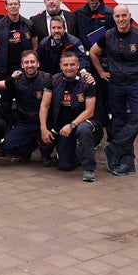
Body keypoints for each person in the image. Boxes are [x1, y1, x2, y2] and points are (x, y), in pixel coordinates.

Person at [89, 4, 138, 177]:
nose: (121, 19)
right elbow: (92, 53)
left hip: (136, 84)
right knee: (118, 123)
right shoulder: (108, 35)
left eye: (124, 15)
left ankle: (114, 148)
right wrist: (100, 72)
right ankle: (127, 163)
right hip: (115, 85)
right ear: (113, 18)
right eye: (117, 16)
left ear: (130, 16)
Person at [40, 52, 104, 182]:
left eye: (72, 64)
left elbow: (90, 111)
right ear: (60, 66)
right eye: (66, 65)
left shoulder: (87, 82)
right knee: (65, 165)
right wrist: (43, 128)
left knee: (83, 130)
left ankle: (89, 168)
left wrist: (72, 125)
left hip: (85, 123)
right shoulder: (53, 80)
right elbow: (44, 106)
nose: (69, 68)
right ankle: (77, 151)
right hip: (64, 128)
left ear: (78, 65)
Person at [74, 0, 116, 140]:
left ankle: (113, 139)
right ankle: (95, 138)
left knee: (108, 103)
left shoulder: (109, 15)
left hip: (104, 65)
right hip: (85, 65)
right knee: (91, 103)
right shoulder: (78, 14)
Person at [0, 51, 53, 165]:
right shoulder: (16, 80)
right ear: (22, 65)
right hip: (25, 123)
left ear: (38, 64)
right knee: (7, 146)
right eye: (26, 62)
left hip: (45, 122)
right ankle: (30, 147)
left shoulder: (47, 78)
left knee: (50, 138)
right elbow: (0, 87)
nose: (29, 65)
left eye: (32, 62)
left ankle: (46, 155)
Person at [0, 0, 37, 80]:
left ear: (19, 5)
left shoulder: (29, 24)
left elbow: (34, 47)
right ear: (6, 6)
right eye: (10, 4)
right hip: (5, 71)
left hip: (25, 69)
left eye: (15, 4)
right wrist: (1, 63)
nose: (13, 6)